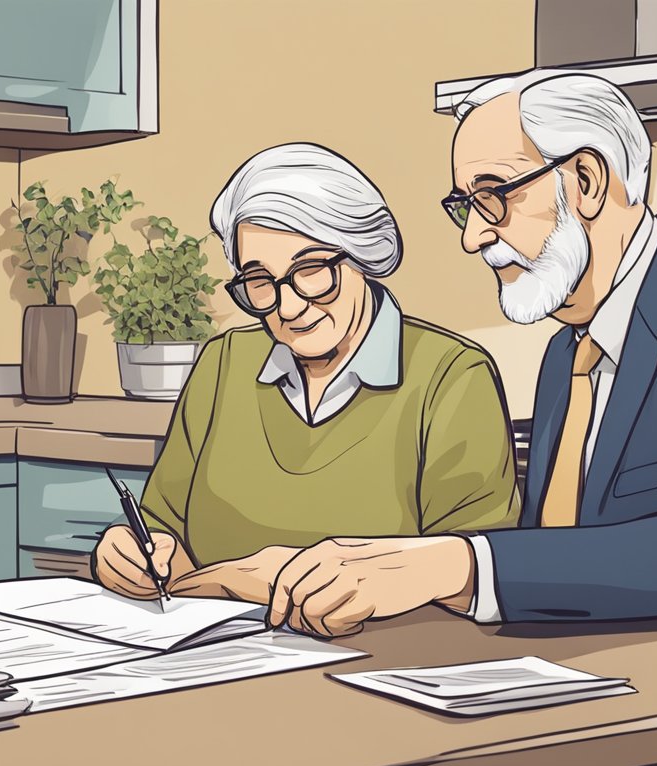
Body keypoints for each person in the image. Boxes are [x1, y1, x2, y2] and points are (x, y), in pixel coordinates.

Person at [263, 71, 657, 635]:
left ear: (585, 179)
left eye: (493, 198)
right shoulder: (568, 351)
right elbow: (555, 561)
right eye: (466, 206)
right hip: (567, 675)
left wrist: (459, 564)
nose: (473, 237)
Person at [93, 143, 520, 609]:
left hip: (376, 667)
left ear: (361, 254)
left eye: (311, 270)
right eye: (260, 281)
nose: (289, 306)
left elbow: (471, 579)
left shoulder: (453, 376)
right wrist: (137, 553)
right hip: (215, 660)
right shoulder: (224, 363)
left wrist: (265, 580)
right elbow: (163, 530)